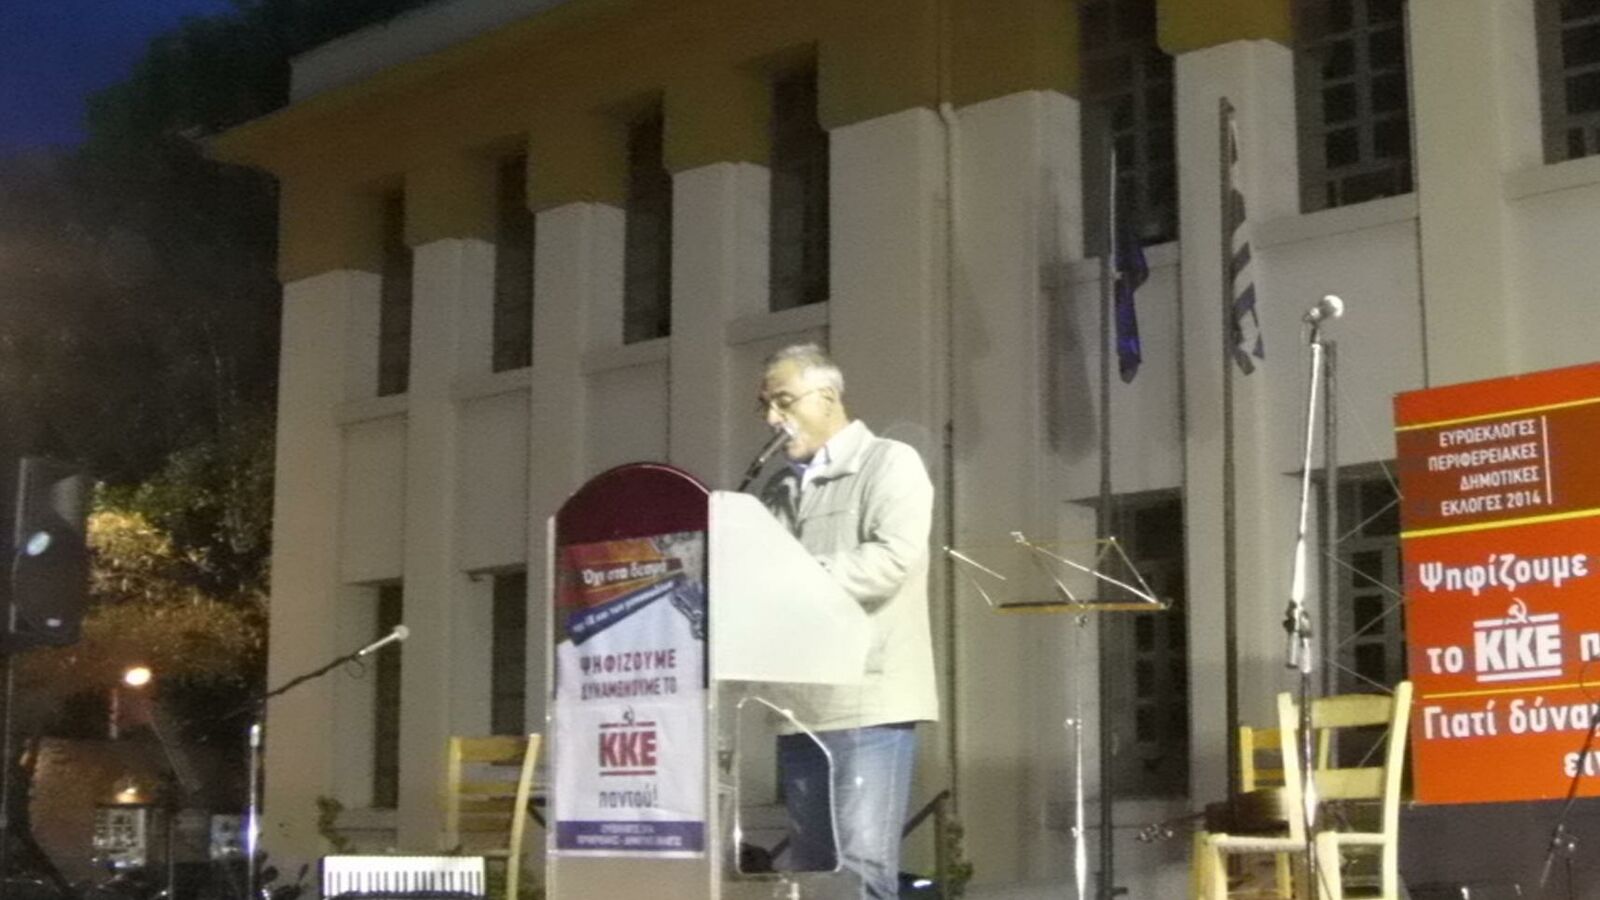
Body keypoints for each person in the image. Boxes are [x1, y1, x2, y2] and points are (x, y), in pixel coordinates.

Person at [752, 342, 938, 899]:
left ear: (828, 397)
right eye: (765, 405)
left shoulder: (890, 462)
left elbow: (892, 560)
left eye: (783, 401)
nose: (772, 418)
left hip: (867, 703)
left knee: (859, 871)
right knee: (815, 874)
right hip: (799, 707)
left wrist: (797, 578)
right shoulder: (778, 489)